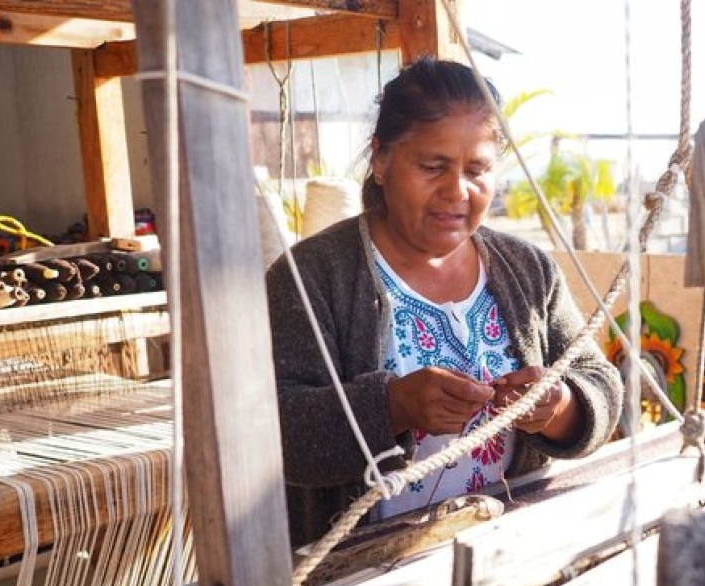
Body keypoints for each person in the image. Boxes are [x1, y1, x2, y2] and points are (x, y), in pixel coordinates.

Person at [265, 57, 624, 548]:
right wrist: (393, 406)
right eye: (432, 167)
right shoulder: (311, 277)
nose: (457, 191)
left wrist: (559, 406)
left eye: (477, 170)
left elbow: (599, 380)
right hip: (360, 576)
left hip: (510, 552)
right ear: (380, 159)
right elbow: (271, 432)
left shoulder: (527, 270)